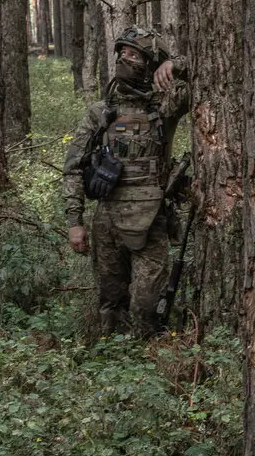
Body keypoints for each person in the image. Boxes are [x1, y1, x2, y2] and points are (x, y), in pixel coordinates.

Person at [61, 26, 191, 338]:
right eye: (122, 52)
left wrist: (176, 64)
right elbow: (74, 166)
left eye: (134, 54)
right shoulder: (100, 112)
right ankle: (112, 361)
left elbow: (212, 69)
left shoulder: (164, 106)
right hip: (107, 221)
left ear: (150, 63)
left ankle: (149, 361)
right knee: (111, 304)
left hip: (152, 221)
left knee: (146, 304)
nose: (124, 58)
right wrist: (74, 221)